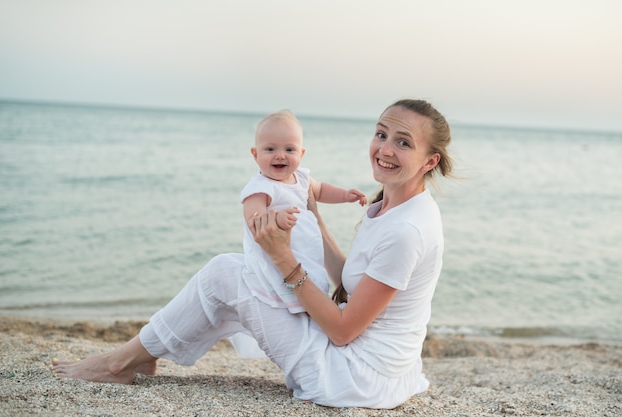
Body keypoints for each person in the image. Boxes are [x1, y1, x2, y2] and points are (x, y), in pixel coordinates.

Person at [52, 98, 453, 409]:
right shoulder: (390, 206)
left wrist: (283, 258)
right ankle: (143, 354)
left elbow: (344, 329)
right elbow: (350, 283)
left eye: (403, 143)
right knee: (237, 274)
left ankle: (119, 363)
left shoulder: (408, 230)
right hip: (373, 367)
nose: (385, 148)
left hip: (352, 376)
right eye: (381, 134)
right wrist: (315, 215)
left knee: (228, 273)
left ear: (429, 161)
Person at [241, 109, 366, 314]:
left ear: (301, 153)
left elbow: (321, 190)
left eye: (289, 149)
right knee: (283, 287)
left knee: (312, 278)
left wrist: (345, 195)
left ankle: (310, 305)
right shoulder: (260, 187)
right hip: (279, 254)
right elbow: (253, 218)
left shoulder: (301, 177)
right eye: (270, 149)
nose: (280, 155)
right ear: (255, 154)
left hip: (304, 250)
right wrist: (276, 218)